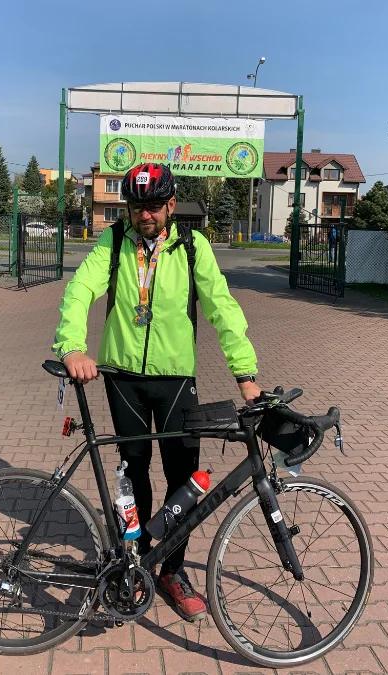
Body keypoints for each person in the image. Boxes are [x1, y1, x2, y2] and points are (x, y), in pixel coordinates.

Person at [52, 163, 261, 622]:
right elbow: (80, 290)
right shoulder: (113, 242)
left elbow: (222, 307)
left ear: (170, 205)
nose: (143, 214)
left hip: (176, 379)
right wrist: (72, 347)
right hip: (122, 377)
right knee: (134, 472)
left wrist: (245, 375)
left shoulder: (191, 247)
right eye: (135, 206)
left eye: (152, 205)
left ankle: (172, 569)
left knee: (184, 477)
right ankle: (134, 560)